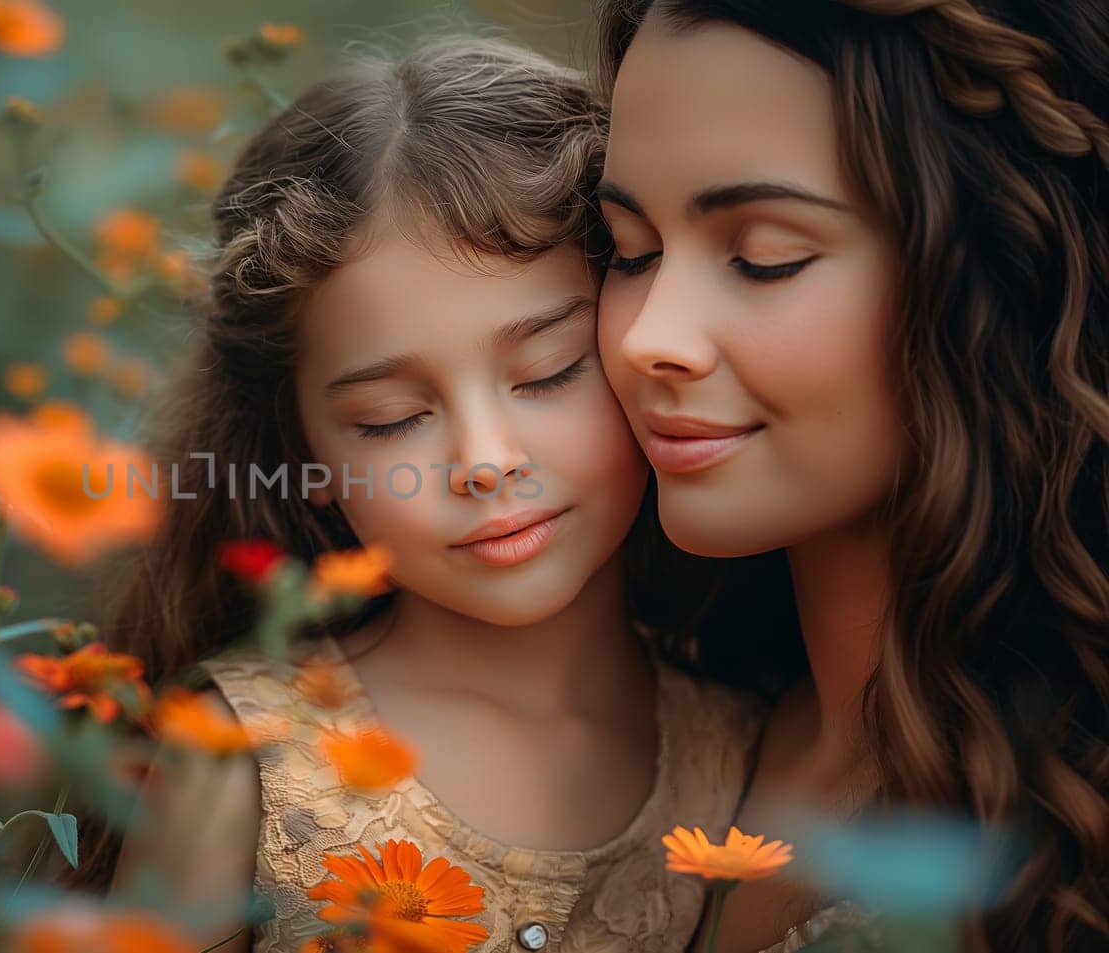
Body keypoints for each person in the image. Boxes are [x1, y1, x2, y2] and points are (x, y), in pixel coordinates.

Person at [98, 37, 765, 953]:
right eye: (390, 417)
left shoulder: (751, 751)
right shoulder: (242, 762)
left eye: (548, 371)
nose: (484, 462)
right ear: (308, 456)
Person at [590, 2, 1109, 950]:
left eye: (763, 259)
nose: (646, 338)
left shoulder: (1074, 825)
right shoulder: (664, 724)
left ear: (995, 275)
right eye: (630, 252)